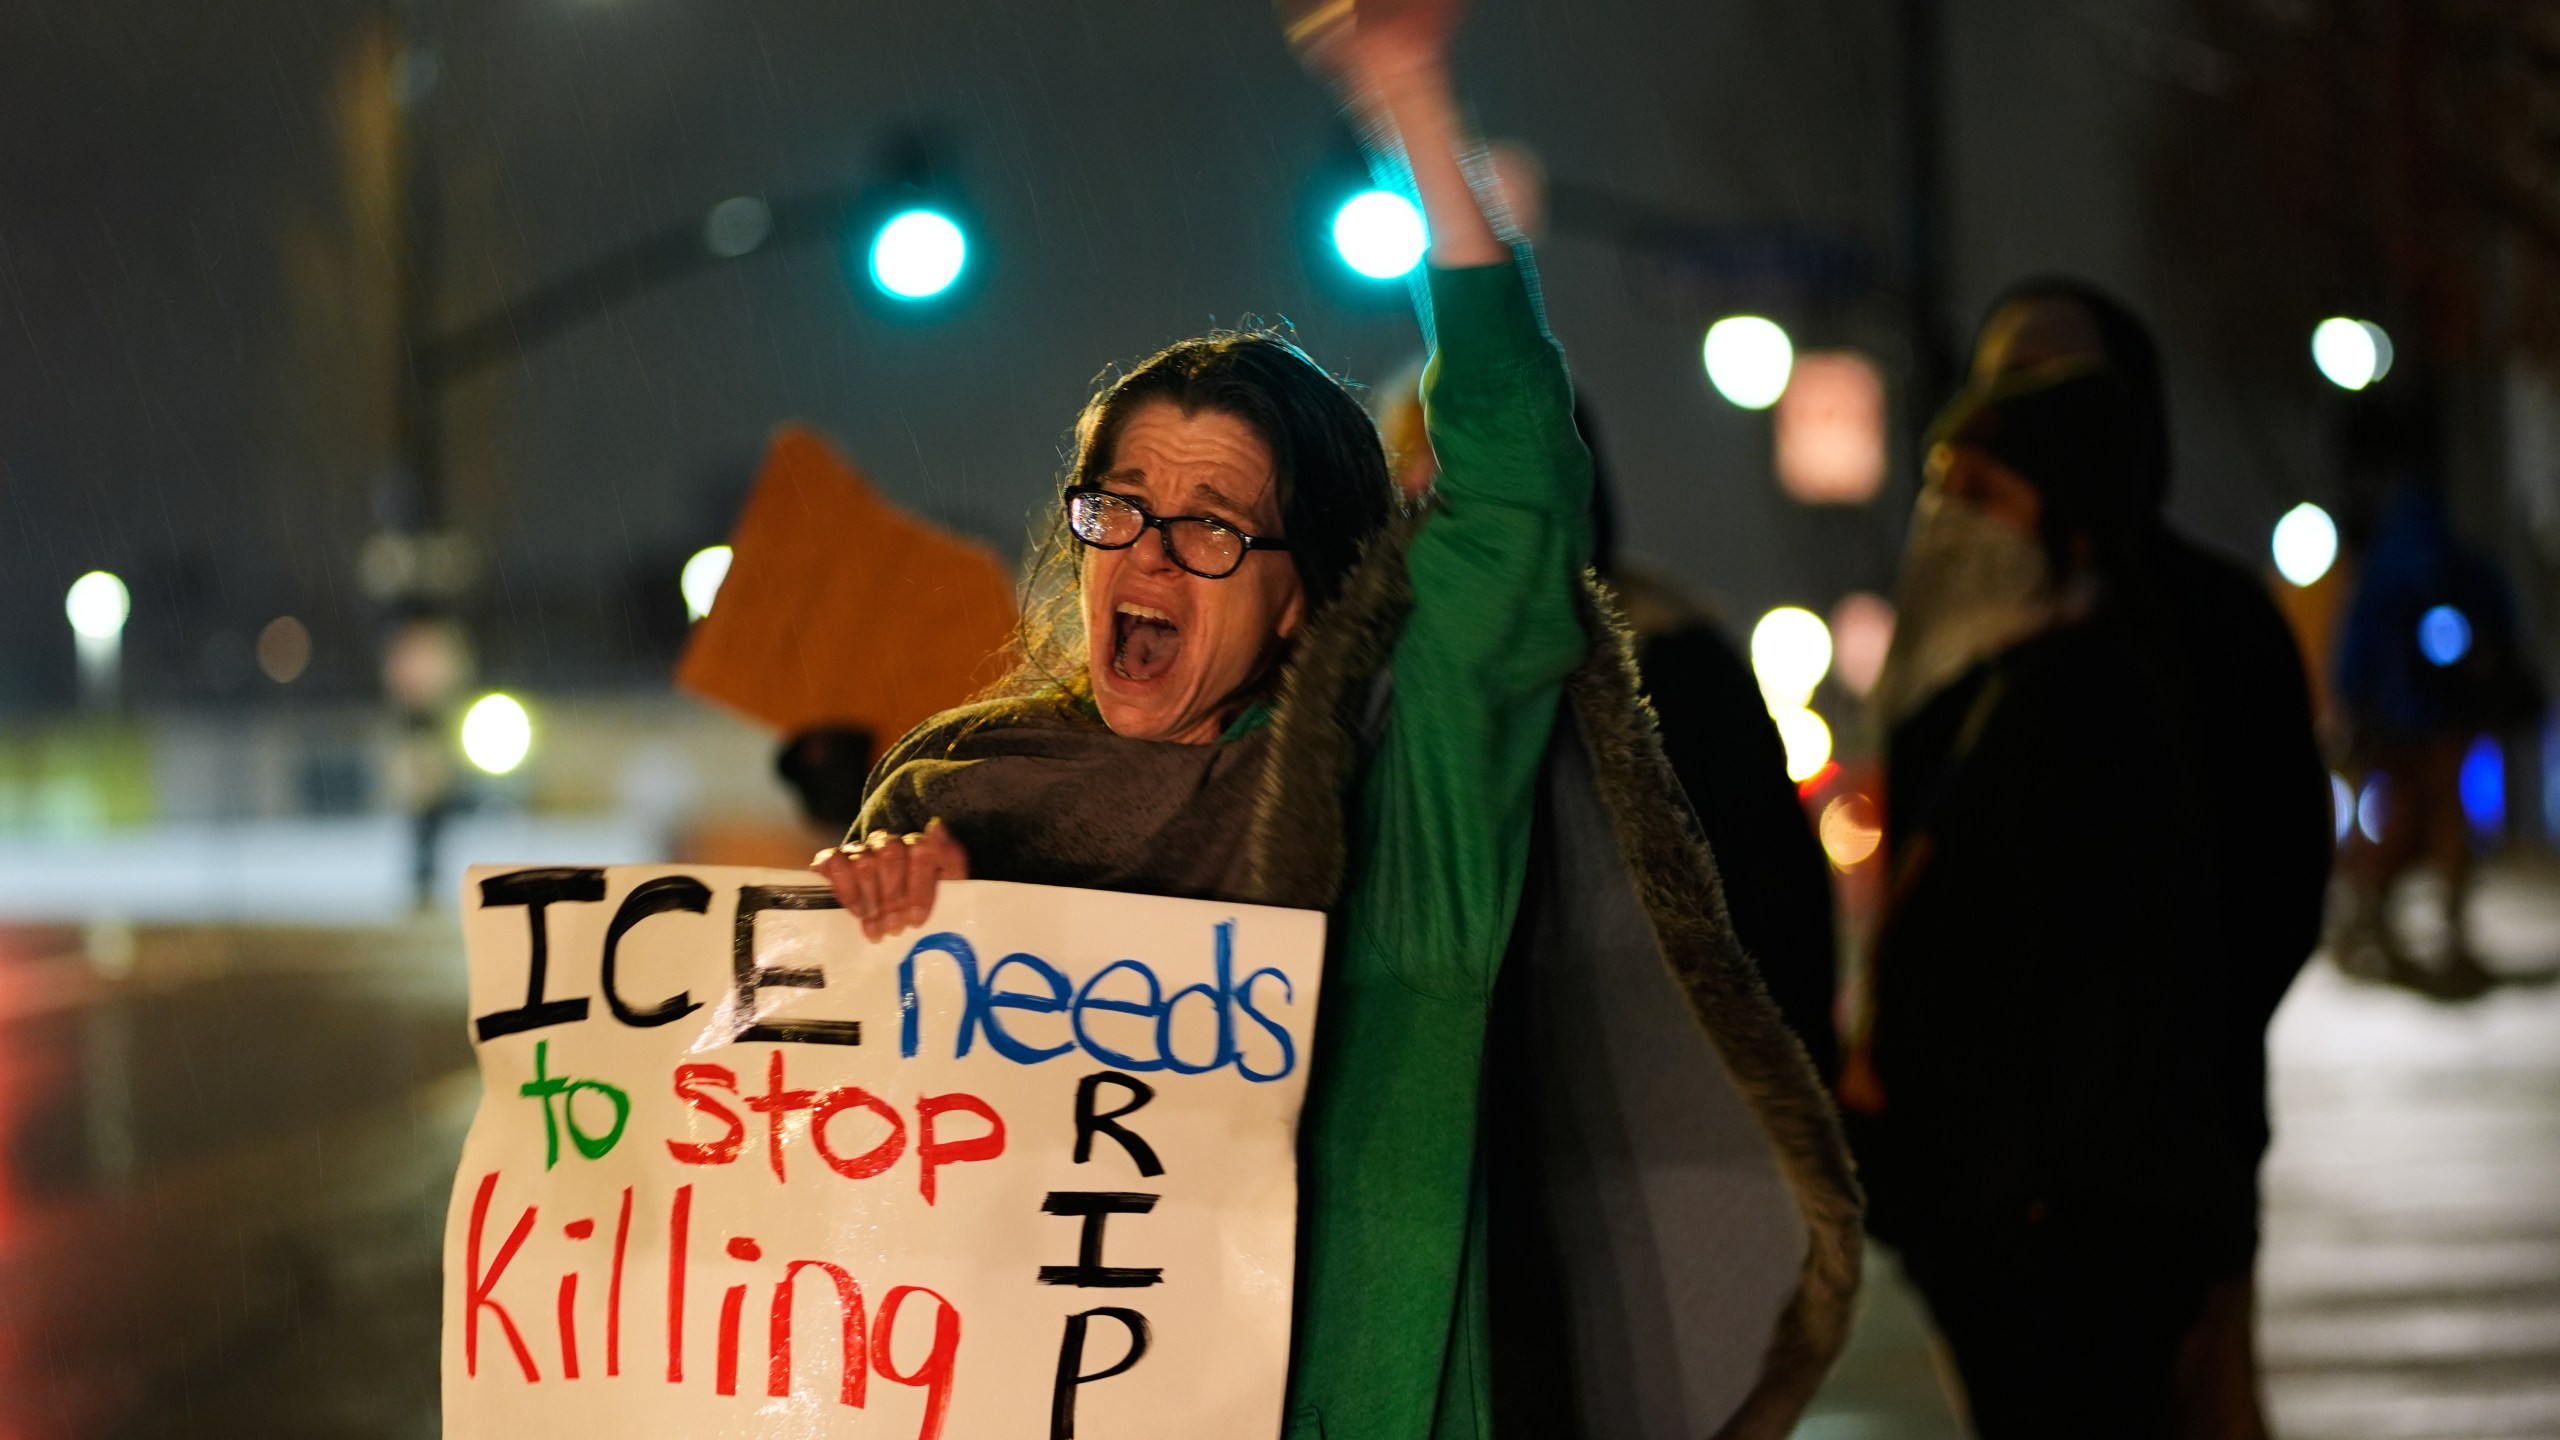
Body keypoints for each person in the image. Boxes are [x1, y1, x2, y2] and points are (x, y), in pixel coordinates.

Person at [812, 2, 1861, 1434]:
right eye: (1121, 506)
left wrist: (1411, 105)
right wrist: (872, 929)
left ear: (1303, 598)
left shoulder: (1397, 811)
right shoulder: (963, 790)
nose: (1149, 554)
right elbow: (830, 1176)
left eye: (1212, 524)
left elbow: (1517, 487)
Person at [1841, 281, 2330, 1437]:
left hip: (2130, 1173)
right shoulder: (1963, 647)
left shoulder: (2187, 635)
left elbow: (2263, 885)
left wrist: (2164, 1099)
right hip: (1999, 1190)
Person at [1380, 369, 1843, 1081]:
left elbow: (1773, 898)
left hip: (1660, 1076)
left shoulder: (1678, 661)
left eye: (1453, 469)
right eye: (1414, 470)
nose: (1431, 497)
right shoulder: (1378, 674)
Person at [2332, 390, 2537, 992]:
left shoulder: (2391, 561)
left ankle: (2384, 921)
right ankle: (2420, 925)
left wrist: (2355, 699)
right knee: (2436, 819)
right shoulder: (2449, 553)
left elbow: (2360, 642)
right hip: (2437, 712)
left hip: (2405, 714)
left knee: (2414, 819)